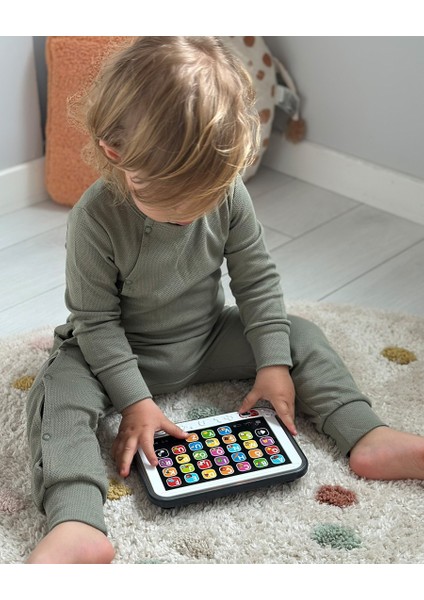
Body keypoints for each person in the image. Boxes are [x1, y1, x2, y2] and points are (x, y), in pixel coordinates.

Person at [26, 36, 424, 564]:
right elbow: (95, 322)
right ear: (116, 154)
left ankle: (367, 434)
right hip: (115, 353)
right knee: (55, 392)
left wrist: (273, 365)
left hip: (208, 337)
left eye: (206, 196)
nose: (192, 214)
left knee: (299, 334)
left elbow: (256, 281)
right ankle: (76, 519)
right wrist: (136, 401)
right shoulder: (93, 219)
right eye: (173, 202)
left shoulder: (230, 191)